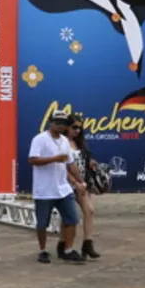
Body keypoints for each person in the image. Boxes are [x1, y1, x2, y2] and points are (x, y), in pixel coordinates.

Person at [29, 111, 86, 264]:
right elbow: (32, 160)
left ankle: (68, 249)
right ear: (51, 123)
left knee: (72, 219)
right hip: (44, 190)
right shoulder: (40, 139)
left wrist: (81, 182)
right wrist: (54, 159)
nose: (60, 126)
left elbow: (71, 164)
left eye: (63, 124)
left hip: (63, 188)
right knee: (42, 223)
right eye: (57, 123)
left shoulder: (64, 141)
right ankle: (42, 250)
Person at [65, 114, 101, 259]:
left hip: (81, 182)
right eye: (74, 127)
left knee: (90, 210)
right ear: (67, 127)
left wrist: (90, 162)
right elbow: (63, 166)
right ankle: (64, 245)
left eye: (80, 128)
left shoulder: (80, 143)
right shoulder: (62, 143)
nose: (77, 130)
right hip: (66, 182)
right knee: (68, 217)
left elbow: (84, 158)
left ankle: (88, 243)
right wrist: (74, 181)